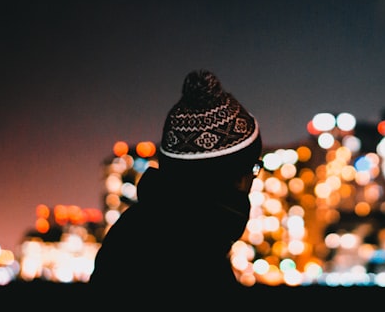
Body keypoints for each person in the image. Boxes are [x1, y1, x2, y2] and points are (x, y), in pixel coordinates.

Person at [89, 69, 263, 292]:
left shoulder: (138, 230)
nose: (251, 181)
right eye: (253, 168)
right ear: (235, 178)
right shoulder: (196, 257)